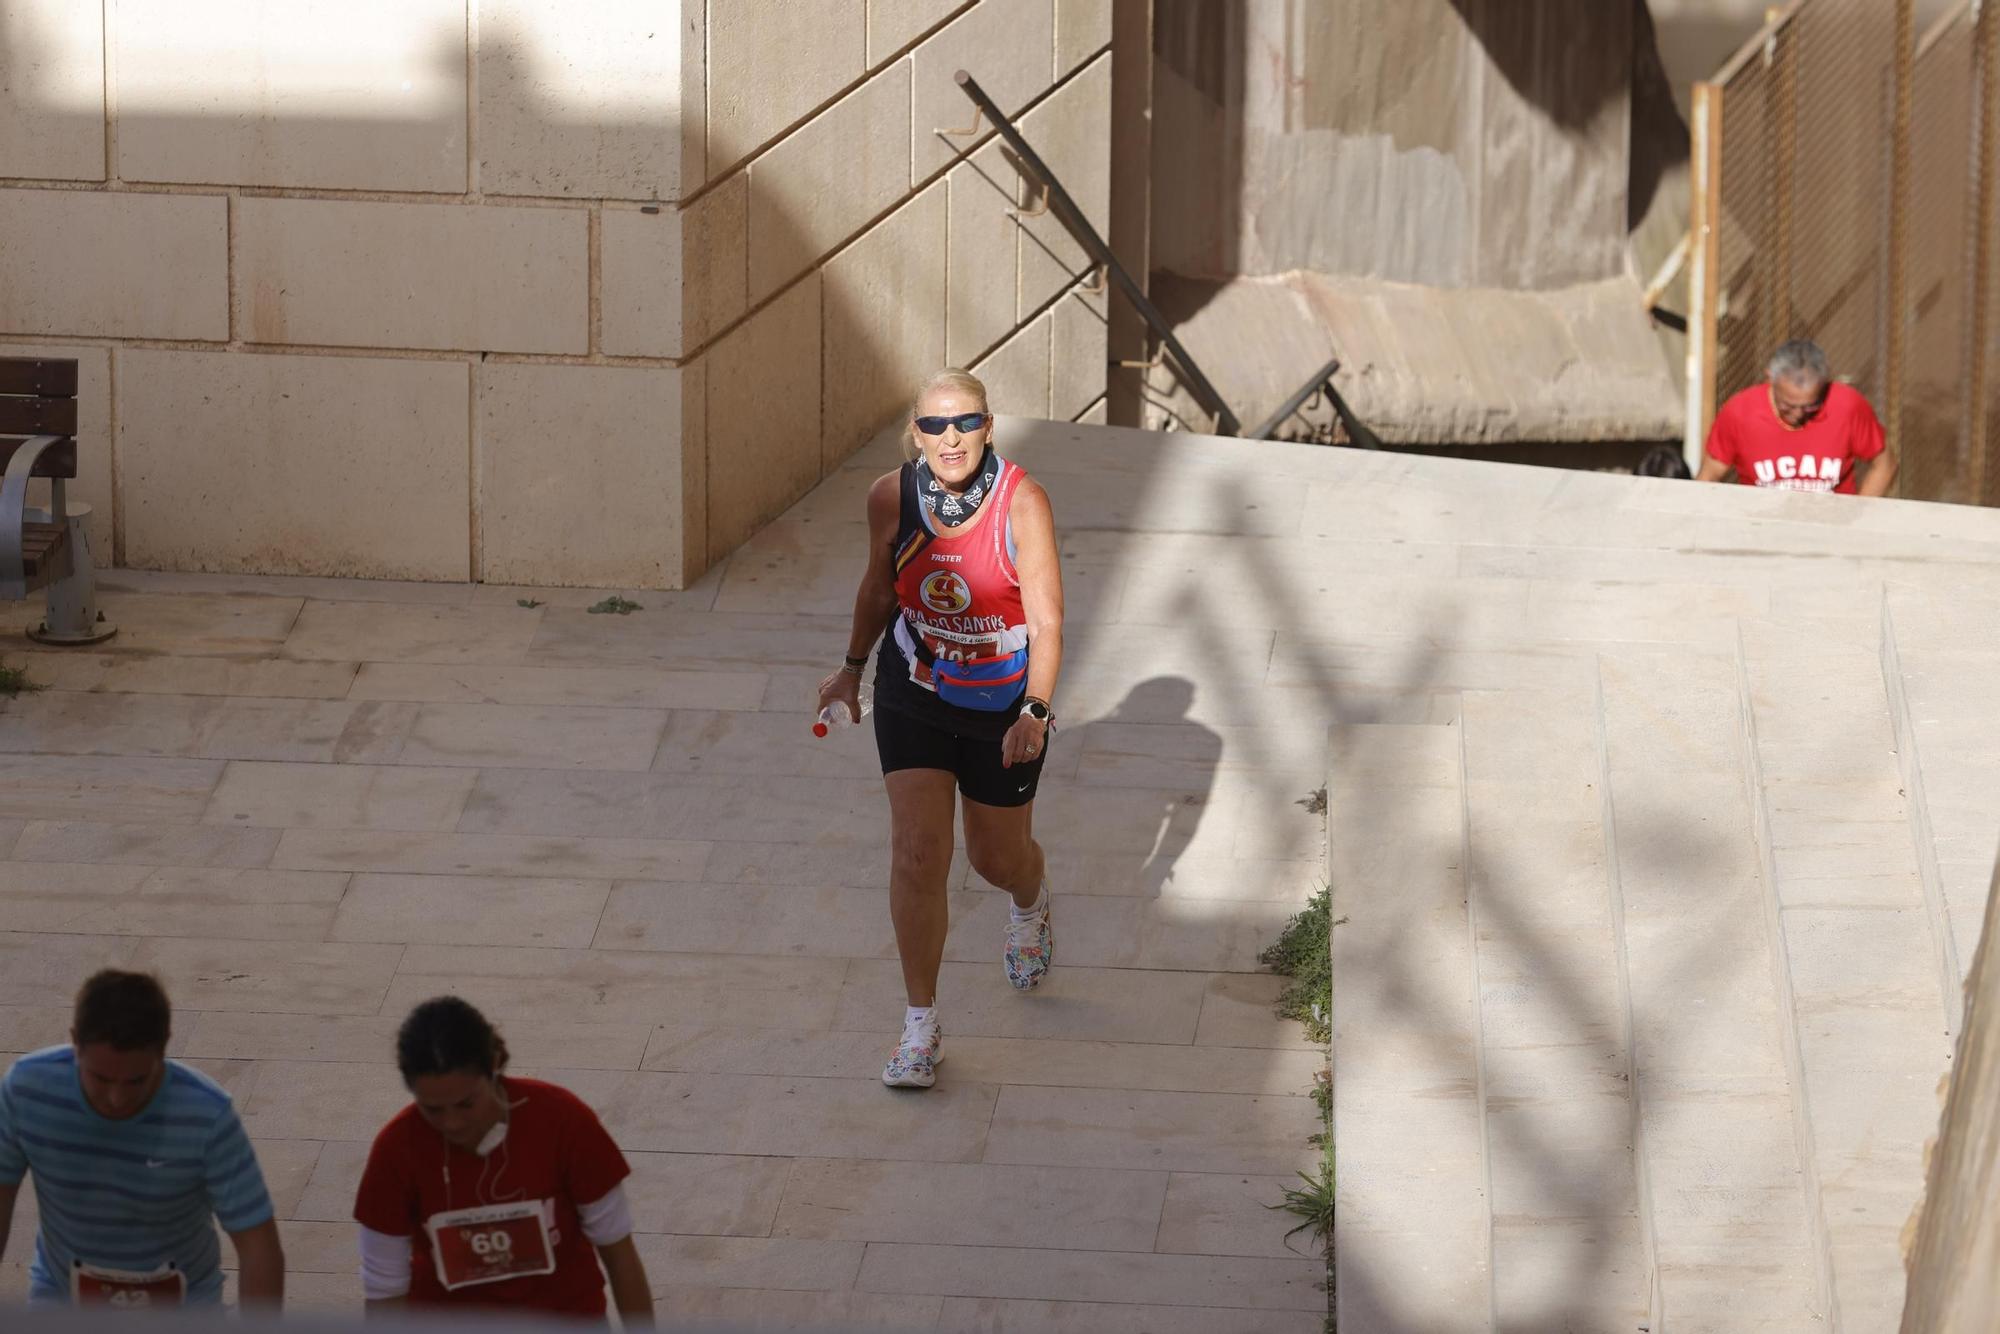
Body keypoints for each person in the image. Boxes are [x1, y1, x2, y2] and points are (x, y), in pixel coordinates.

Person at [818, 368, 1066, 1090]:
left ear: (988, 427)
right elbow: (876, 585)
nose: (949, 438)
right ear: (915, 433)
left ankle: (1030, 899)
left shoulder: (1023, 502)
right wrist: (851, 669)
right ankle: (920, 1027)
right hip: (915, 689)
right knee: (918, 855)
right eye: (934, 425)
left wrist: (1037, 709)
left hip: (1003, 705)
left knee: (996, 859)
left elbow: (1048, 620)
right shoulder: (890, 496)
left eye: (965, 423)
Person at [351, 996, 654, 1324]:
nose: (451, 1124)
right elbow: (384, 1291)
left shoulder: (564, 1122)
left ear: (494, 1065)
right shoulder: (395, 1150)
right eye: (432, 1109)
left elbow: (619, 1253)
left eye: (466, 1104)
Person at [0, 970, 285, 1309]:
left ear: (163, 1047)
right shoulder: (27, 1091)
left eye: (136, 1081)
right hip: (63, 1299)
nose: (116, 1099)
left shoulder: (206, 1115)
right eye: (100, 1078)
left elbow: (258, 1246)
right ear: (75, 1042)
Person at [1698, 338, 1897, 496]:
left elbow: (1885, 465)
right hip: (1761, 531)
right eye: (1787, 405)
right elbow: (1709, 475)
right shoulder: (1740, 411)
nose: (1798, 414)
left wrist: (1857, 519)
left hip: (1831, 532)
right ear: (1770, 379)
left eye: (1811, 406)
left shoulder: (1847, 406)